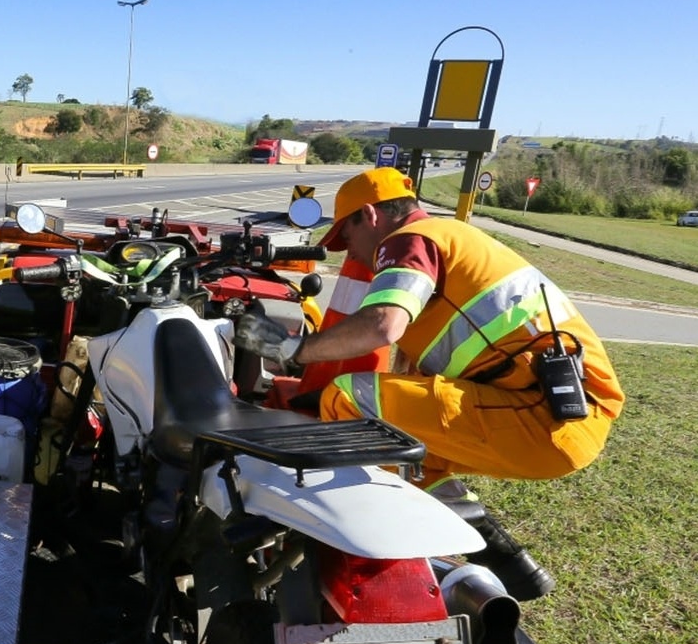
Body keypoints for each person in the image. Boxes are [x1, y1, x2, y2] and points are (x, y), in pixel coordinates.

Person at [235, 167, 625, 600]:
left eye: (348, 237)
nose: (353, 255)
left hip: (545, 417)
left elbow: (384, 324)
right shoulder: (455, 244)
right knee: (404, 439)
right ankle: (506, 559)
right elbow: (413, 381)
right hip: (561, 416)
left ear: (371, 215)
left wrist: (294, 351)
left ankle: (355, 542)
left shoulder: (412, 240)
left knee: (350, 401)